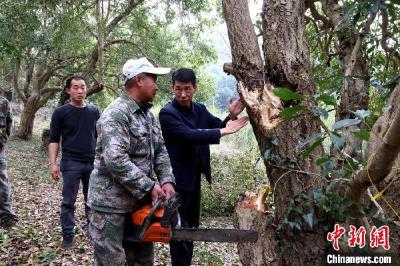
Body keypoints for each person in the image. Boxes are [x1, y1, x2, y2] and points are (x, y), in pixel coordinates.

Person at [88, 57, 175, 265]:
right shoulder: (116, 114)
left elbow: (160, 149)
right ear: (139, 80)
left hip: (140, 206)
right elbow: (115, 159)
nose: (156, 85)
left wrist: (166, 180)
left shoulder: (147, 116)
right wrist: (148, 186)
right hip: (111, 207)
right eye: (153, 78)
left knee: (142, 260)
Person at [159, 68, 248, 266]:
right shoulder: (167, 113)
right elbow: (190, 135)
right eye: (178, 89)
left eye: (187, 89)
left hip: (194, 180)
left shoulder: (199, 109)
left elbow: (218, 124)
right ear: (172, 88)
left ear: (195, 89)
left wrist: (231, 116)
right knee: (180, 231)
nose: (183, 94)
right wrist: (223, 131)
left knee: (192, 229)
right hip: (175, 183)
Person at [48, 75, 100, 249]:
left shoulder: (94, 110)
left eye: (83, 87)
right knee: (68, 201)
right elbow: (54, 139)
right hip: (71, 162)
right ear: (68, 90)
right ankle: (68, 236)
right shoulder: (61, 112)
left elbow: (99, 137)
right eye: (76, 87)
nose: (80, 91)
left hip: (92, 162)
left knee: (92, 200)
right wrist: (53, 163)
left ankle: (93, 232)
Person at [0, 95, 17, 228]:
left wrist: (1, 142)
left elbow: (9, 126)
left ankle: (7, 214)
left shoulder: (3, 102)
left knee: (2, 182)